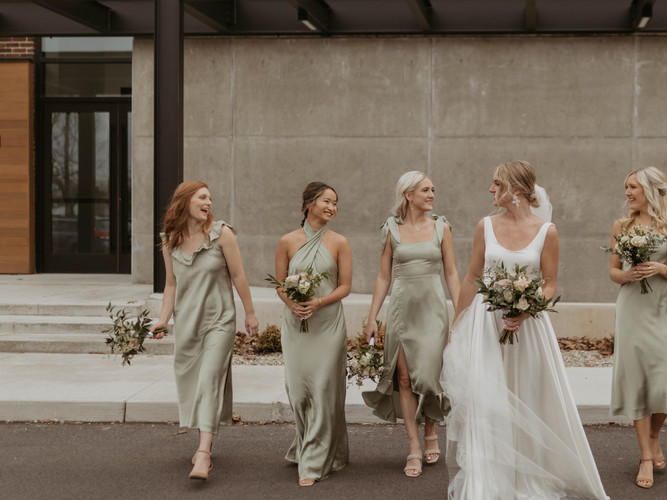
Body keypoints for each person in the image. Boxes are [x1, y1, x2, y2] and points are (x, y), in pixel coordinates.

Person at [441, 161, 608, 499]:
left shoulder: (547, 231)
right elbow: (474, 278)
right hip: (485, 326)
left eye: (496, 183)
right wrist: (456, 326)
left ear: (514, 190)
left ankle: (528, 475)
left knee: (530, 397)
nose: (490, 190)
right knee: (487, 401)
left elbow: (549, 284)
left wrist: (525, 309)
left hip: (529, 329)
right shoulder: (484, 226)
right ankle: (485, 484)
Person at [150, 181, 259, 481]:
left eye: (210, 197)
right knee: (194, 385)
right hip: (188, 323)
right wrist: (162, 320)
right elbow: (171, 284)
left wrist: (249, 313)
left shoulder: (222, 234)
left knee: (210, 378)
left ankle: (203, 454)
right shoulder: (169, 239)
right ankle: (204, 441)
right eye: (202, 197)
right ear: (184, 201)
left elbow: (238, 275)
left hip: (219, 322)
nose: (208, 201)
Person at [362, 171, 461, 478]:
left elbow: (452, 273)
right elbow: (383, 276)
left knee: (430, 375)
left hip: (432, 309)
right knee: (404, 379)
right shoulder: (390, 228)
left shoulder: (442, 226)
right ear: (408, 195)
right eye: (425, 190)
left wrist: (460, 313)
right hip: (402, 310)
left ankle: (431, 429)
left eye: (433, 189)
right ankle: (414, 446)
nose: (431, 194)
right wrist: (372, 316)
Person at [607, 167, 667, 489]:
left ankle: (655, 435)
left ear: (650, 189)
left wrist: (660, 268)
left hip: (663, 308)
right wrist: (628, 275)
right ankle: (644, 455)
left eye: (632, 188)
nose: (627, 193)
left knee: (665, 380)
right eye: (626, 188)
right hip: (632, 308)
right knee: (639, 380)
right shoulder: (621, 225)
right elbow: (613, 271)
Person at [273, 182, 352, 486]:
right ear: (309, 203)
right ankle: (308, 443)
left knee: (323, 388)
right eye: (327, 201)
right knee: (298, 389)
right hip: (296, 326)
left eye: (335, 203)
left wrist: (319, 301)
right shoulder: (286, 241)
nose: (332, 207)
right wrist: (291, 302)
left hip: (328, 323)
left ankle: (315, 459)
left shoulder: (340, 242)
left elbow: (345, 286)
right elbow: (279, 283)